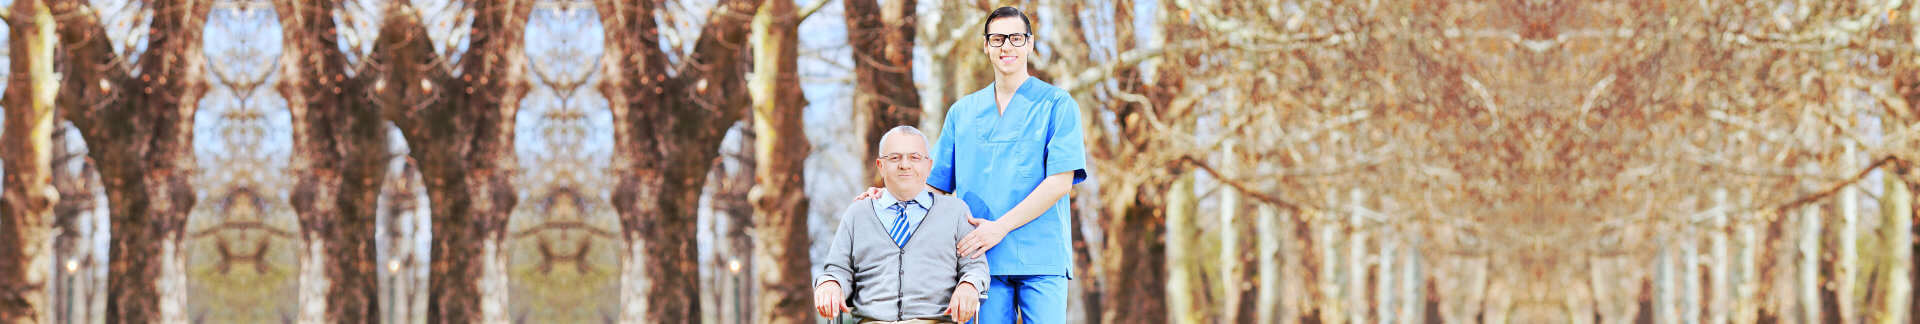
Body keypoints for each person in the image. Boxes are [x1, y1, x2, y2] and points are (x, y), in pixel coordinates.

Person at [854, 6, 1089, 324]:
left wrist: (1000, 228)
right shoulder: (962, 112)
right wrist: (887, 197)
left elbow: (1060, 181)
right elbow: (932, 182)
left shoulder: (1058, 105)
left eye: (1016, 38)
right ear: (986, 45)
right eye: (998, 39)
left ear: (1030, 44)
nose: (1007, 46)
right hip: (979, 259)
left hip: (1040, 257)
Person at [818, 126, 989, 324]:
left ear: (929, 166)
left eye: (915, 157)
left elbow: (975, 267)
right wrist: (830, 283)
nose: (905, 165)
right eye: (894, 158)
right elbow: (837, 269)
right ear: (880, 166)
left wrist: (969, 285)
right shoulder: (857, 213)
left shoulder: (956, 212)